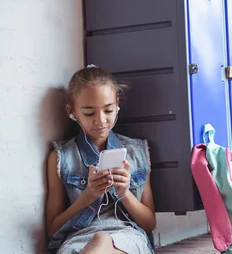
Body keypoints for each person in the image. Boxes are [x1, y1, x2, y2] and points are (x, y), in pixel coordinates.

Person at [45, 65, 156, 253]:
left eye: (108, 110)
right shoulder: (61, 157)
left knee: (103, 242)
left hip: (127, 236)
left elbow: (149, 223)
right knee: (97, 243)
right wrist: (88, 196)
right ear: (71, 111)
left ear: (117, 105)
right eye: (89, 113)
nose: (101, 120)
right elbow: (52, 229)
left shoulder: (137, 152)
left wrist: (125, 193)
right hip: (77, 238)